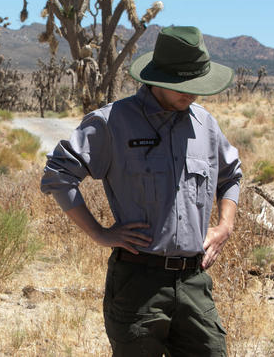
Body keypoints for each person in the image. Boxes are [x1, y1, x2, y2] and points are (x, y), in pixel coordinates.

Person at [41, 25, 242, 356]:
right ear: (158, 78)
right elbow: (59, 174)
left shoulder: (205, 124)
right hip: (138, 280)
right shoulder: (112, 122)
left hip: (194, 280)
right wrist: (99, 233)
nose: (192, 94)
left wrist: (225, 226)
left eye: (197, 86)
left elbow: (231, 174)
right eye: (183, 86)